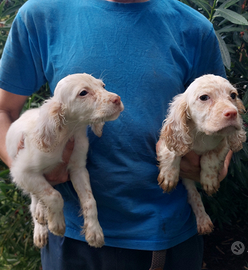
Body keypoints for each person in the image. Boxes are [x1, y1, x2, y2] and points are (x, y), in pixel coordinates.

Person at [0, 0, 232, 269]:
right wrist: (32, 167)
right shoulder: (42, 13)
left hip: (168, 236)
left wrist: (215, 166)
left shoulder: (194, 28)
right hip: (75, 237)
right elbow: (3, 110)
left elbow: (224, 113)